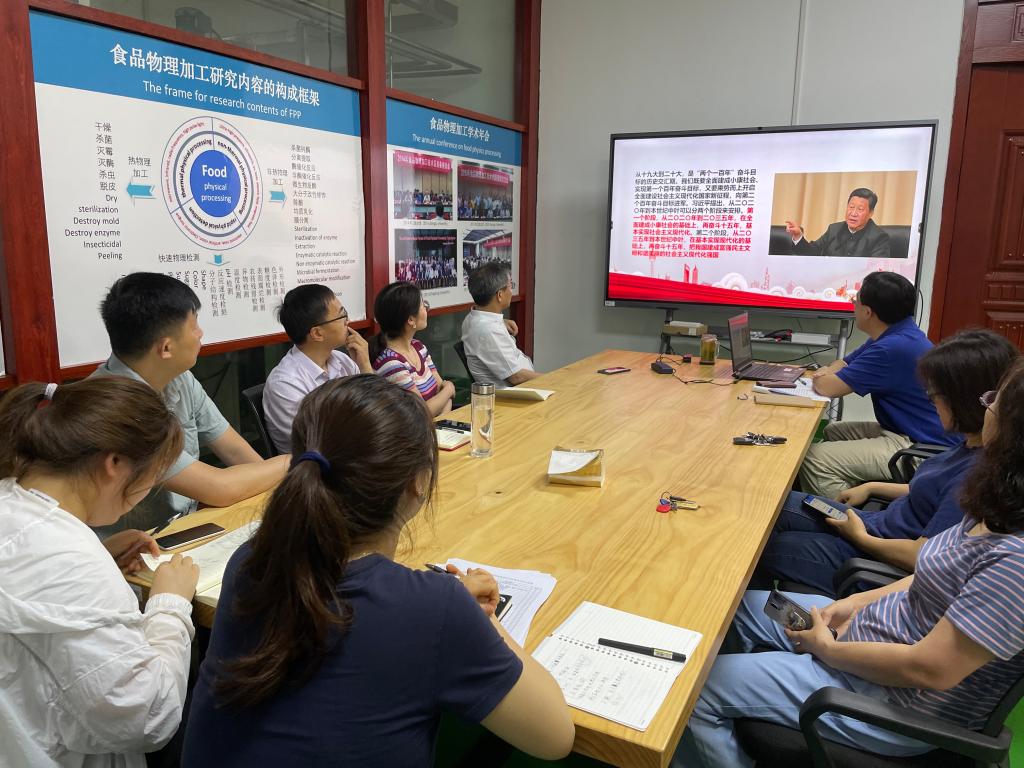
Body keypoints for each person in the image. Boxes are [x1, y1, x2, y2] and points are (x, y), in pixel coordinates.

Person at [182, 375, 575, 766]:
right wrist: (479, 619)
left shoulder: (250, 560)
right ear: (419, 482)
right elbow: (555, 737)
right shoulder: (437, 608)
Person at [676, 357, 1024, 767]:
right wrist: (853, 605)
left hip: (890, 701)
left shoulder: (1014, 561)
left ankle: (726, 707)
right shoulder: (998, 508)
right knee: (733, 610)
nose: (985, 406)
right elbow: (929, 573)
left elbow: (930, 670)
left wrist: (829, 650)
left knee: (690, 692)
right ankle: (747, 714)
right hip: (866, 640)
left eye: (994, 401)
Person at [0, 377, 201, 768]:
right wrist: (170, 605)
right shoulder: (72, 562)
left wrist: (103, 557)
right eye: (153, 477)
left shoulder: (11, 498)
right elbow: (148, 718)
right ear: (115, 464)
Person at [754, 329, 1018, 596]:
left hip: (872, 556)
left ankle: (755, 610)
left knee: (759, 548)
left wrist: (861, 538)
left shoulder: (975, 474)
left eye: (934, 395)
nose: (931, 402)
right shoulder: (971, 445)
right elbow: (931, 492)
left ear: (963, 401)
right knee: (771, 505)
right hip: (875, 525)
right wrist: (873, 487)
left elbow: (922, 556)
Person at [92, 272, 288, 534]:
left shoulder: (178, 377)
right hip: (139, 543)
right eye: (193, 326)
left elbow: (234, 451)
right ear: (166, 348)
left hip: (188, 524)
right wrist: (294, 462)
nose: (200, 334)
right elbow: (219, 488)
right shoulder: (115, 407)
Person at [799, 271, 956, 499]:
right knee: (833, 431)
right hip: (909, 431)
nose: (853, 304)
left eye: (855, 299)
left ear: (867, 312)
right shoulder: (897, 333)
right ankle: (852, 491)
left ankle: (840, 515)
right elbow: (843, 363)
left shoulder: (891, 348)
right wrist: (828, 373)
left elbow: (828, 388)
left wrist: (822, 375)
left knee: (814, 459)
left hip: (922, 448)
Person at [263, 284, 372, 453]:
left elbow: (378, 411)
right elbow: (319, 445)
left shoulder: (343, 360)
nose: (347, 321)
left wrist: (365, 366)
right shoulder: (285, 383)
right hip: (317, 465)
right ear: (317, 333)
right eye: (342, 315)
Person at [368, 281, 456, 417]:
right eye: (422, 305)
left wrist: (444, 400)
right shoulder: (391, 363)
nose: (426, 309)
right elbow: (421, 413)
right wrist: (449, 388)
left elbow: (442, 393)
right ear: (410, 320)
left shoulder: (418, 347)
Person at [462, 262, 537, 388]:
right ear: (500, 295)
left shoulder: (472, 318)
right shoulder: (489, 330)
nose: (511, 291)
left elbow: (483, 323)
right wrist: (553, 378)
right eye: (510, 286)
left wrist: (501, 321)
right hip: (516, 394)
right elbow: (516, 377)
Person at [784, 187, 891, 258]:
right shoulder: (834, 229)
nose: (853, 213)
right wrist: (798, 236)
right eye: (851, 207)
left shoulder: (879, 237)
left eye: (860, 209)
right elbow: (813, 253)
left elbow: (876, 271)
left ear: (871, 213)